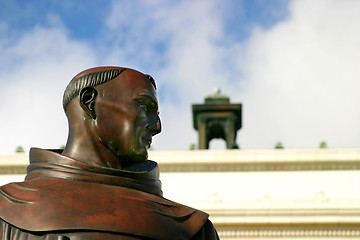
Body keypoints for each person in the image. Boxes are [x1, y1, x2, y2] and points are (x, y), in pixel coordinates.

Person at [0, 67, 219, 240]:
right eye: (144, 106)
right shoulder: (6, 208)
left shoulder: (191, 228)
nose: (157, 126)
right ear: (89, 102)